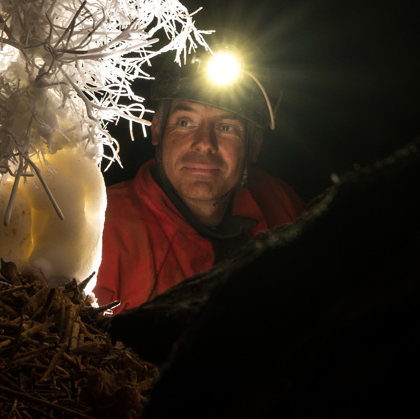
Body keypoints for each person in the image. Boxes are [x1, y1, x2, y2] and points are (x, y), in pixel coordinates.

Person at [94, 52, 304, 313]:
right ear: (157, 130)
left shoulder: (281, 207)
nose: (204, 143)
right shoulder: (101, 231)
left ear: (254, 146)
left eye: (226, 127)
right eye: (185, 122)